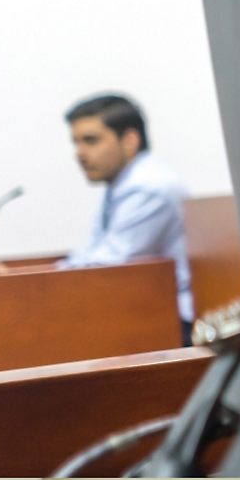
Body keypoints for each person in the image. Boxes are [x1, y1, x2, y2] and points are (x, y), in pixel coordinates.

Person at [58, 94, 196, 345]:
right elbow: (95, 252)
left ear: (130, 141)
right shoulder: (122, 185)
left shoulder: (148, 187)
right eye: (76, 142)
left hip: (177, 325)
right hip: (147, 314)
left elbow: (109, 266)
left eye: (91, 141)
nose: (79, 153)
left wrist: (29, 280)